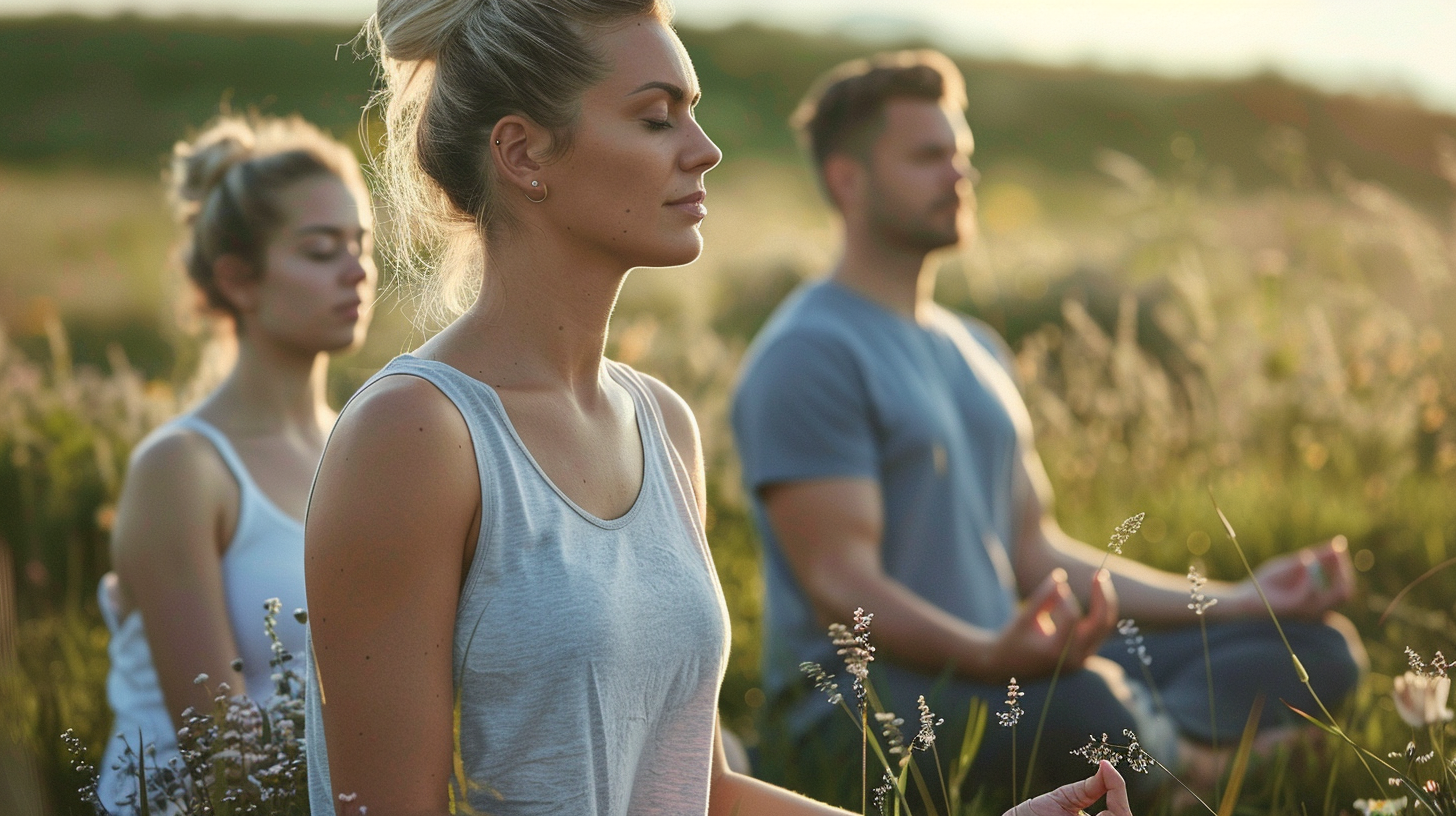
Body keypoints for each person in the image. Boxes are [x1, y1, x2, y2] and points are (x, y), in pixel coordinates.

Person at [302, 4, 1133, 816]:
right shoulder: (415, 435)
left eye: (691, 114)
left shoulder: (661, 426)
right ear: (524, 153)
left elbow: (699, 791)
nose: (706, 150)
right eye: (657, 119)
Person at [730, 49, 1366, 806]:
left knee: (1313, 648)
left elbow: (1037, 550)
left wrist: (1243, 598)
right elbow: (843, 587)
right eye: (929, 157)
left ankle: (1160, 742)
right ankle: (1201, 764)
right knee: (1086, 703)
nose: (960, 175)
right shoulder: (811, 352)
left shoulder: (976, 348)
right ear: (848, 180)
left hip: (1011, 669)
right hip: (870, 706)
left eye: (962, 155)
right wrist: (992, 652)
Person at [98, 114, 376, 812]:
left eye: (360, 245)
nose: (356, 272)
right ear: (237, 280)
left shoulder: (365, 450)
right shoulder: (182, 469)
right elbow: (219, 752)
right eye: (320, 251)